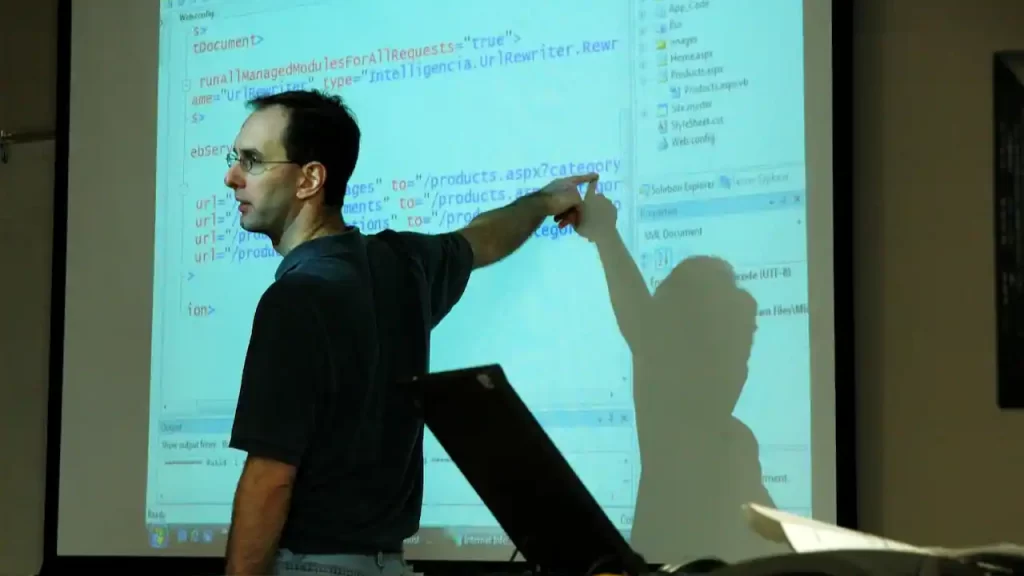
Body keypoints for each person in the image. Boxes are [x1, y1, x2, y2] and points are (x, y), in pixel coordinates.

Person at [220, 88, 598, 576]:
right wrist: (546, 201)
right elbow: (483, 238)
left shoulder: (295, 299)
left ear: (310, 179)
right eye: (236, 159)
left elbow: (270, 479)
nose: (232, 177)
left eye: (252, 161)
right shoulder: (404, 265)